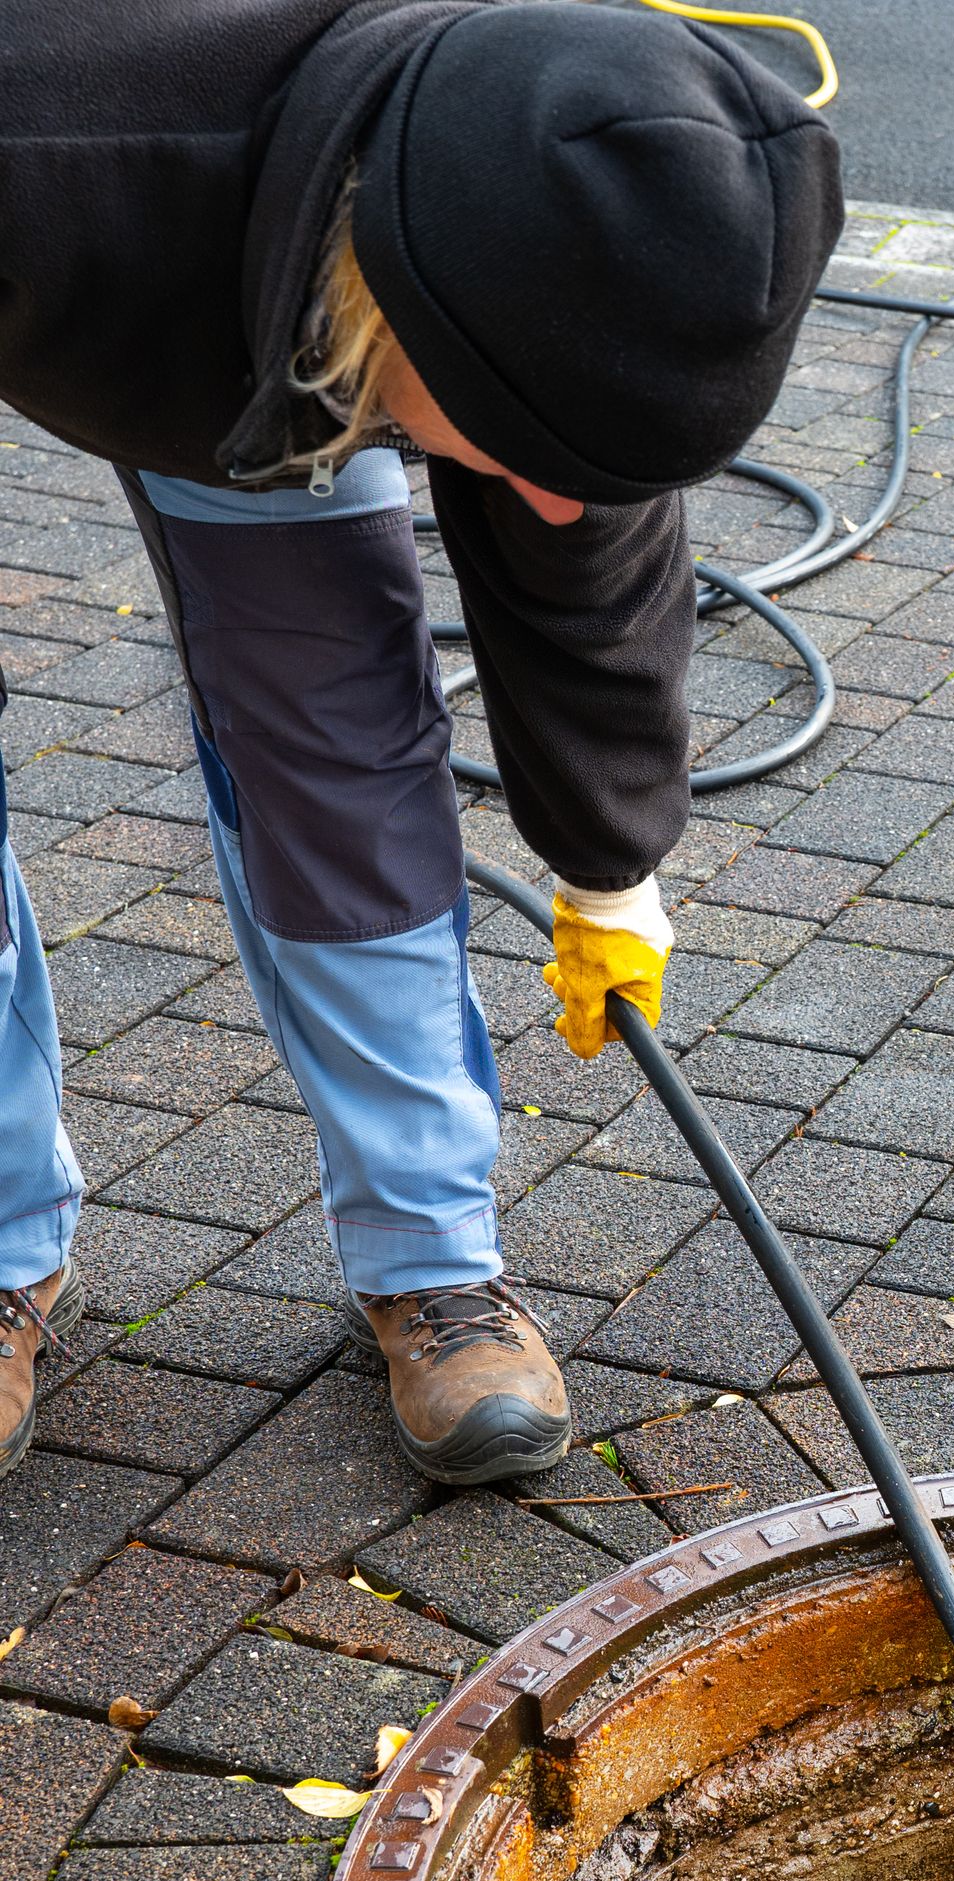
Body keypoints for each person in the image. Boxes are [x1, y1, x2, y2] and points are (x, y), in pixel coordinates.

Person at [0, 0, 842, 1483]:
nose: (560, 496)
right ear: (409, 296)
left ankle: (432, 1255)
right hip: (92, 212)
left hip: (276, 270)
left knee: (343, 747)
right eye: (534, 445)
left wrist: (610, 868)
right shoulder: (51, 135)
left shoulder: (549, 184)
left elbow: (589, 539)